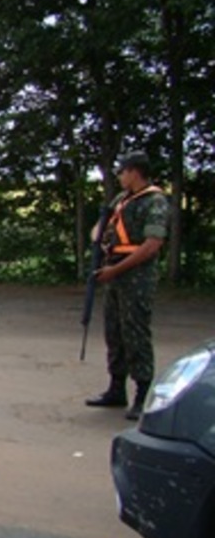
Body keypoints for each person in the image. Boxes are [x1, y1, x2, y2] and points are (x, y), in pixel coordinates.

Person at [85, 151, 170, 420]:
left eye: (122, 171)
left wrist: (116, 269)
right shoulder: (121, 200)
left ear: (134, 171)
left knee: (136, 332)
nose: (120, 176)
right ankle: (116, 388)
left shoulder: (155, 201)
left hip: (137, 275)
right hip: (114, 272)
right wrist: (99, 237)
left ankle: (142, 394)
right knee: (114, 331)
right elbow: (100, 228)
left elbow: (152, 245)